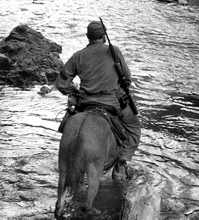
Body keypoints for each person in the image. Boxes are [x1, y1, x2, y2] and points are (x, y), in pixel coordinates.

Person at [55, 20, 141, 180]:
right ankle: (121, 164)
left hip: (85, 102)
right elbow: (127, 78)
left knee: (69, 122)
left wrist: (75, 91)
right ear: (104, 36)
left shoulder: (78, 56)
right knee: (134, 127)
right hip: (112, 103)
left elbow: (60, 83)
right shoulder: (114, 51)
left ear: (88, 36)